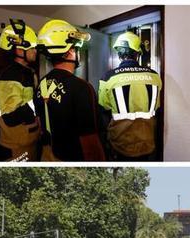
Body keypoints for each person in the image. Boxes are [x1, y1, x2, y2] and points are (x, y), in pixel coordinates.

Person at [36, 19, 105, 161]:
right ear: (70, 52)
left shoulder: (41, 85)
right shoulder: (82, 88)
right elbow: (90, 140)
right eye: (76, 47)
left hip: (46, 156)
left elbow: (39, 122)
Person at [97, 31, 162, 160]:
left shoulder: (108, 77)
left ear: (119, 54)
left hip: (119, 144)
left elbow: (103, 111)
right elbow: (157, 109)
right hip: (148, 143)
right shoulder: (155, 76)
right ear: (138, 53)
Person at [0, 19, 41, 161]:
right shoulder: (9, 76)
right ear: (20, 50)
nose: (35, 51)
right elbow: (11, 117)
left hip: (29, 139)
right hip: (16, 145)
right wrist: (39, 102)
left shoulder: (28, 71)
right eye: (32, 47)